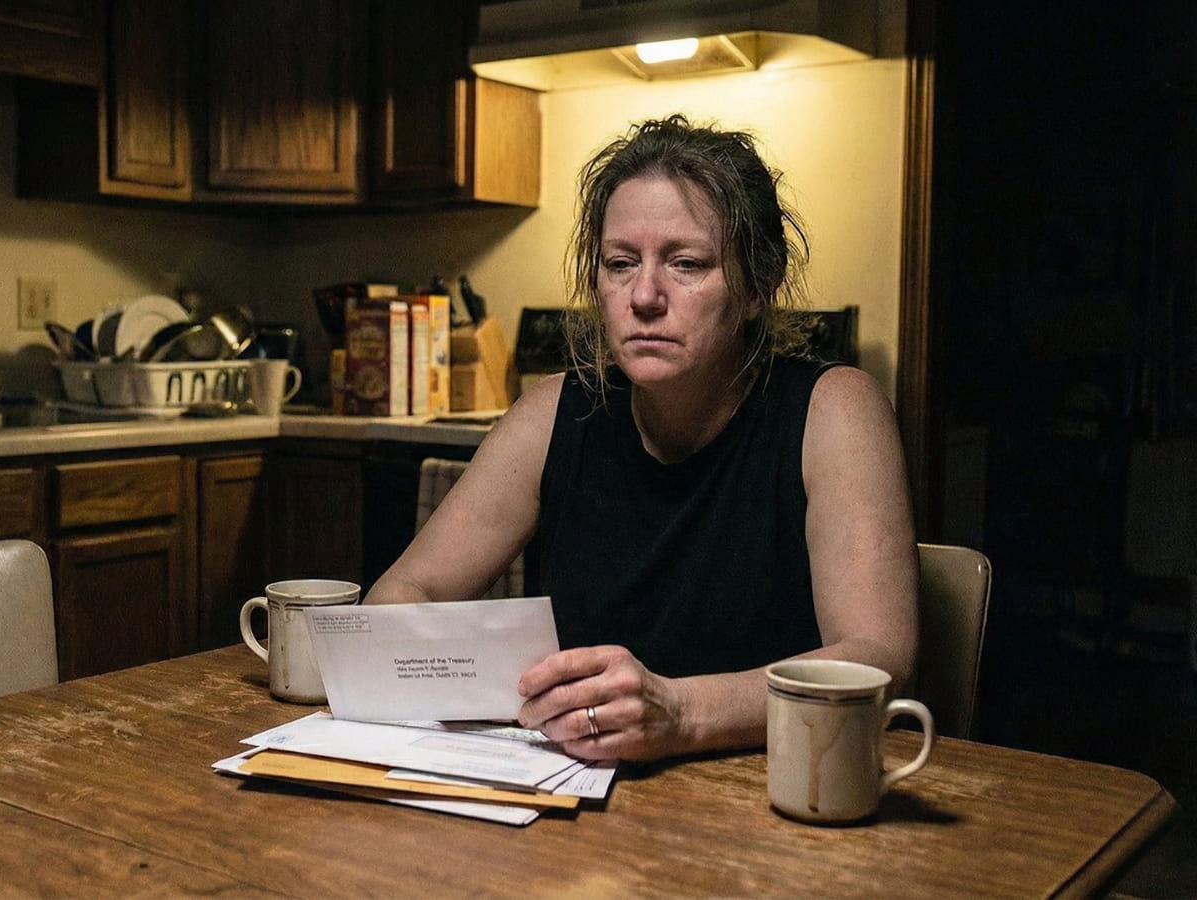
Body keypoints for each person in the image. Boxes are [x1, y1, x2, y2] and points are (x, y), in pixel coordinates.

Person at [363, 115, 918, 763]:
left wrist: (679, 713)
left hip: (774, 790)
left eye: (686, 264)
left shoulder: (834, 410)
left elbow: (877, 657)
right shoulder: (550, 413)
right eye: (620, 263)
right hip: (576, 792)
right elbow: (398, 598)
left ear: (757, 288)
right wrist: (504, 689)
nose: (645, 296)